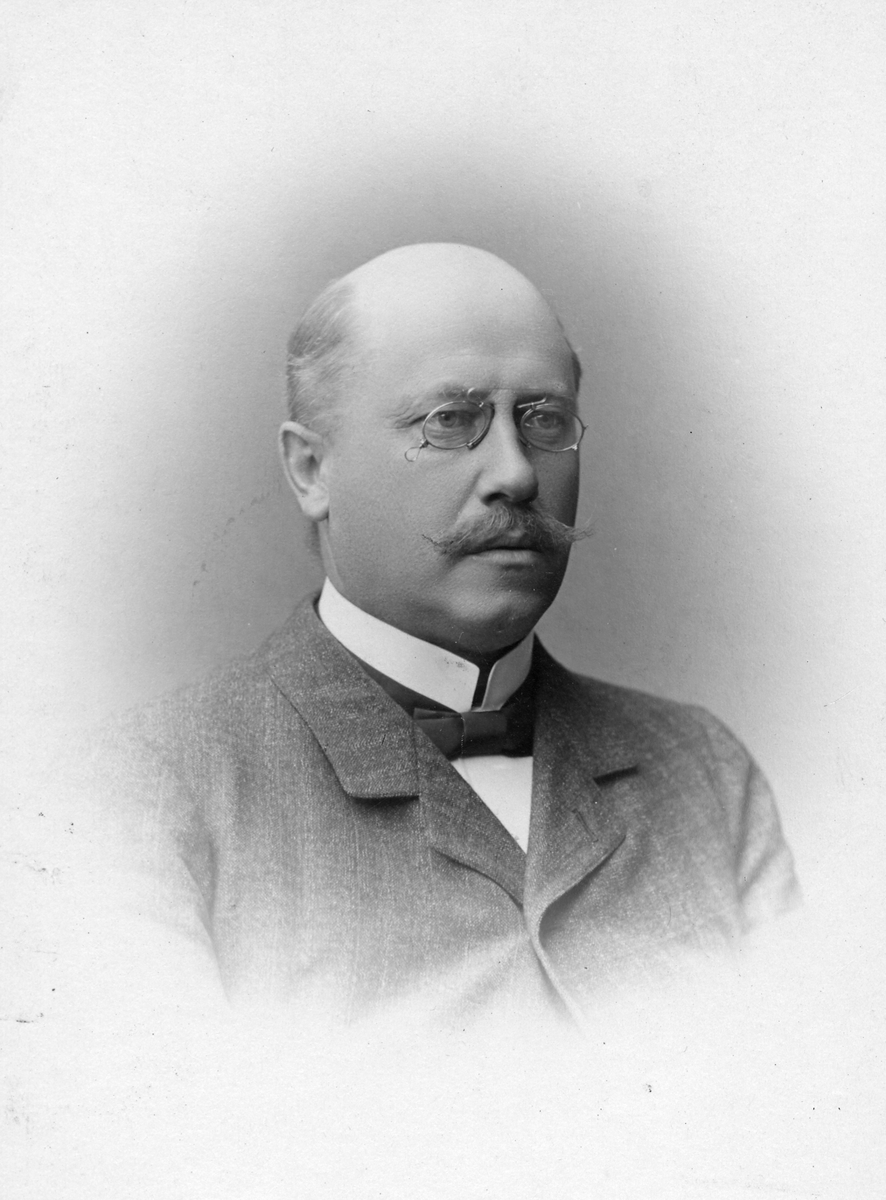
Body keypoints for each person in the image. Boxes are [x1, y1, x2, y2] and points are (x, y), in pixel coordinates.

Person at [89, 243, 799, 1028]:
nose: (517, 475)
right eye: (450, 421)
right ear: (312, 469)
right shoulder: (144, 793)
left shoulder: (704, 774)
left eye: (544, 420)